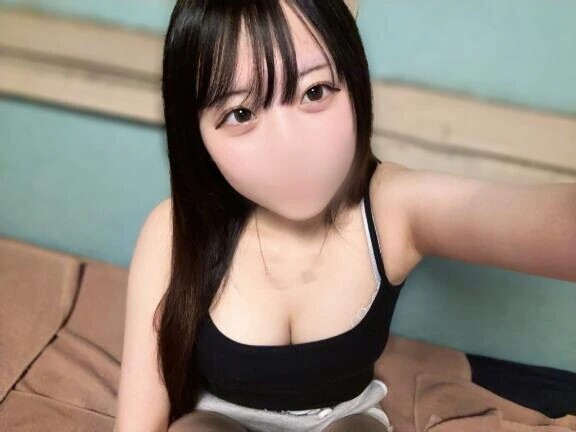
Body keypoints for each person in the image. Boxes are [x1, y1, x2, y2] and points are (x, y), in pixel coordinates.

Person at [114, 1, 576, 431]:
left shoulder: (391, 207)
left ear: (352, 79)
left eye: (314, 91)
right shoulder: (173, 231)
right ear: (195, 133)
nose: (290, 149)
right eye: (240, 113)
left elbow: (544, 223)